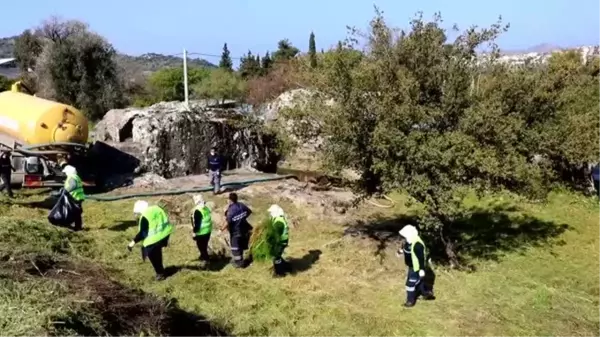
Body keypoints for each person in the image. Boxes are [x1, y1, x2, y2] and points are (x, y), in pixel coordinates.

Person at [127, 200, 173, 281]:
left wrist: (132, 242)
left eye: (137, 213)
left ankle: (160, 274)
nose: (138, 215)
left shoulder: (145, 216)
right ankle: (161, 270)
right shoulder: (156, 208)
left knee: (152, 255)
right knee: (157, 252)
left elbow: (142, 233)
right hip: (165, 234)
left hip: (154, 239)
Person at [397, 225, 436, 307]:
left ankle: (410, 301)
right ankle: (426, 294)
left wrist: (421, 269)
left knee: (410, 284)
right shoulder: (409, 241)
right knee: (418, 281)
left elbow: (421, 258)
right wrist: (401, 251)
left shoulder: (417, 245)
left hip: (416, 268)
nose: (404, 237)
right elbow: (407, 248)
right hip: (411, 266)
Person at [221, 192, 252, 268]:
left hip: (235, 232)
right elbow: (249, 211)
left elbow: (227, 222)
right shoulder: (241, 205)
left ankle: (239, 264)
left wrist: (222, 229)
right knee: (241, 246)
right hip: (244, 229)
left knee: (235, 248)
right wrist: (242, 217)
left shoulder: (231, 211)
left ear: (230, 200)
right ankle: (241, 260)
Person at [268, 204, 289, 277]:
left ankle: (280, 273)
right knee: (277, 255)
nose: (270, 214)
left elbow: (276, 234)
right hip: (281, 241)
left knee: (276, 257)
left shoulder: (278, 222)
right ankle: (286, 266)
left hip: (280, 242)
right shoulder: (278, 218)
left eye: (271, 212)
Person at [191, 194, 212, 264]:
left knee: (201, 247)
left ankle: (206, 259)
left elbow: (197, 224)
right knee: (205, 245)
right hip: (208, 231)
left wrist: (194, 232)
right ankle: (203, 256)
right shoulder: (206, 208)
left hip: (201, 232)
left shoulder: (197, 211)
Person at [62, 165, 85, 230]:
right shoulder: (76, 177)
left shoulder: (71, 177)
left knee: (74, 212)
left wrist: (66, 190)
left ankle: (76, 226)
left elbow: (73, 185)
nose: (65, 173)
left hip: (74, 197)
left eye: (66, 172)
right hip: (78, 197)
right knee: (77, 213)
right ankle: (78, 226)